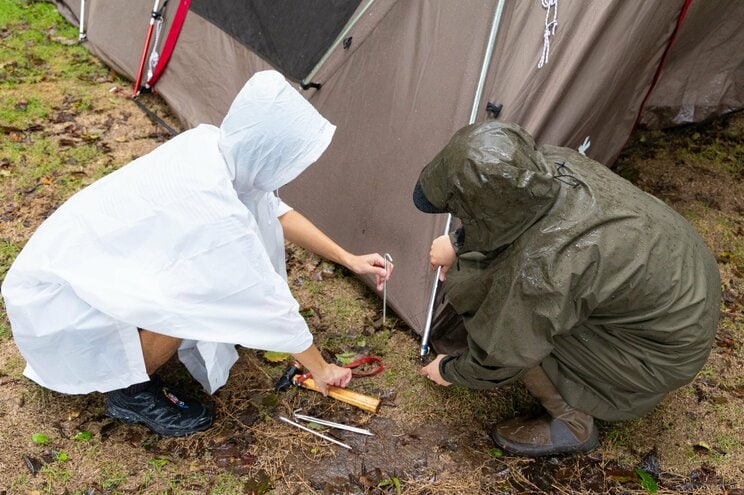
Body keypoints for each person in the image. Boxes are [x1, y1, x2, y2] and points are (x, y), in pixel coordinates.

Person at [1, 70, 392, 437]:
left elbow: (273, 209)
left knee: (194, 287)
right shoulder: (215, 207)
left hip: (75, 269)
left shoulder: (215, 146)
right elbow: (262, 299)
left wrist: (348, 258)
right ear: (268, 152)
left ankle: (132, 354)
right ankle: (129, 394)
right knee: (189, 297)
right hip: (60, 304)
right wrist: (320, 369)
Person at [415, 121, 720, 456]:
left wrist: (449, 371)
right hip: (683, 291)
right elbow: (516, 220)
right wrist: (459, 242)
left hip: (660, 351)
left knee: (511, 324)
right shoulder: (549, 164)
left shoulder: (548, 267)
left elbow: (504, 352)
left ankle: (571, 423)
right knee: (495, 284)